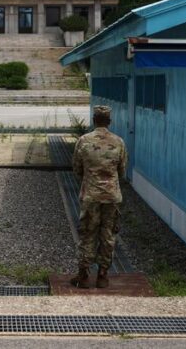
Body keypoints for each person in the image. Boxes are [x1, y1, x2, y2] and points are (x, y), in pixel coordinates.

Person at [70, 105, 128, 289]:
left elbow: (77, 169)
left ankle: (84, 275)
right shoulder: (119, 142)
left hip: (91, 196)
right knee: (108, 234)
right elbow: (122, 171)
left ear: (94, 120)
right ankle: (103, 275)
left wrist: (90, 179)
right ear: (109, 122)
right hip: (111, 196)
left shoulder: (84, 141)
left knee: (88, 232)